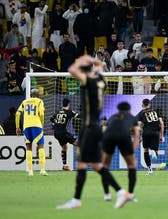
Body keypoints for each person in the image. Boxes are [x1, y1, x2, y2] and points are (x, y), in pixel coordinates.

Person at [56, 55, 126, 209]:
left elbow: (71, 70)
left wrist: (83, 58)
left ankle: (76, 200)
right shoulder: (101, 81)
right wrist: (96, 62)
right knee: (95, 165)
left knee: (82, 163)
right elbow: (100, 67)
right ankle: (121, 192)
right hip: (95, 127)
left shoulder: (89, 81)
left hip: (88, 128)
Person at [101, 102, 140, 204]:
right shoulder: (132, 117)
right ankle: (130, 194)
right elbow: (137, 134)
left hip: (109, 136)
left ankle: (107, 195)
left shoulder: (112, 117)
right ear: (129, 109)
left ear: (118, 109)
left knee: (104, 166)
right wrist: (133, 150)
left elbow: (103, 130)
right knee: (132, 165)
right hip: (123, 135)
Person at [15, 89, 47, 176]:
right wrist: (42, 123)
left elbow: (17, 114)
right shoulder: (40, 101)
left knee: (28, 148)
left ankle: (30, 171)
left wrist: (18, 127)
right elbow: (41, 113)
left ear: (31, 95)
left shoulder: (25, 101)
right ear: (38, 95)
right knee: (40, 147)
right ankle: (42, 170)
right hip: (37, 126)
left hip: (26, 127)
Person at [136, 98, 164, 175]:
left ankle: (150, 170)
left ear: (142, 105)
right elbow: (161, 123)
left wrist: (139, 137)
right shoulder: (156, 112)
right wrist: (162, 135)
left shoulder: (141, 113)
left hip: (146, 133)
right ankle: (154, 152)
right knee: (155, 150)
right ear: (149, 104)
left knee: (145, 150)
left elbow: (139, 126)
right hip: (155, 132)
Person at [50, 98, 79, 171]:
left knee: (64, 147)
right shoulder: (69, 112)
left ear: (62, 104)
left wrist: (54, 124)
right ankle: (82, 164)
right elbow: (78, 116)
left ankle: (65, 165)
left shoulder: (57, 111)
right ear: (68, 104)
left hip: (56, 133)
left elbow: (51, 118)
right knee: (78, 144)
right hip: (63, 132)